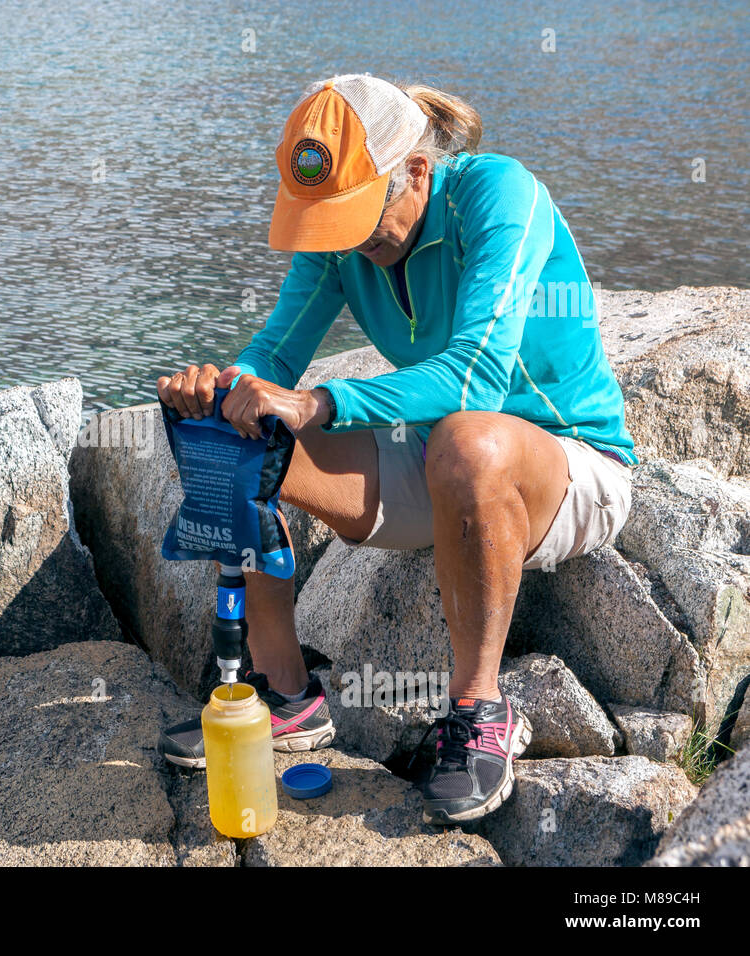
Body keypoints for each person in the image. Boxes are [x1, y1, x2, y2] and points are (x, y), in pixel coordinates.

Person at [155, 74, 635, 825]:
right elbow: (274, 354)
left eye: (354, 218)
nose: (344, 241)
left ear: (415, 170)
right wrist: (219, 389)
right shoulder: (342, 239)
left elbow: (475, 374)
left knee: (467, 440)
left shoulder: (501, 196)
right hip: (443, 462)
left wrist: (321, 401)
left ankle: (479, 711)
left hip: (570, 470)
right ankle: (284, 695)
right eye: (328, 223)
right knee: (243, 430)